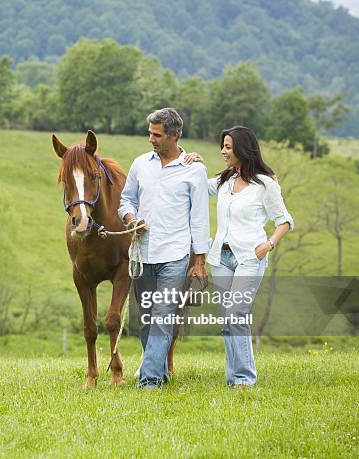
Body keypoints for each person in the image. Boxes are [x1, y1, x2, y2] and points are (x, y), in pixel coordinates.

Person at [118, 108, 211, 388]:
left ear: (174, 135)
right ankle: (160, 370)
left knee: (162, 315)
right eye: (150, 133)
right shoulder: (140, 165)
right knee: (146, 320)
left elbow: (200, 220)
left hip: (175, 256)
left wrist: (199, 261)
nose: (151, 139)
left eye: (157, 135)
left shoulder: (194, 170)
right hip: (142, 255)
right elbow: (126, 201)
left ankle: (150, 381)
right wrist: (132, 219)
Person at [206, 126, 294, 388]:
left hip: (249, 258)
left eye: (228, 147)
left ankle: (244, 378)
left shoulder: (266, 185)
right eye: (223, 145)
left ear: (243, 149)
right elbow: (196, 183)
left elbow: (285, 221)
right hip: (221, 258)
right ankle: (234, 378)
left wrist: (268, 244)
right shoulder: (224, 181)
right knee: (228, 318)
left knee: (236, 314)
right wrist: (191, 159)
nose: (223, 151)